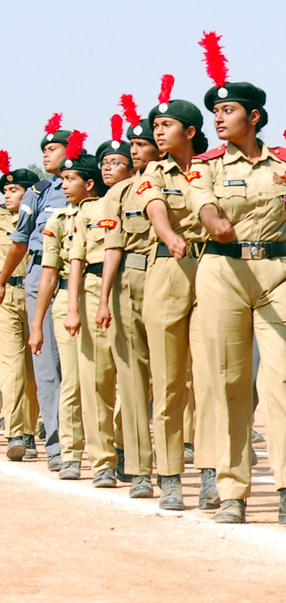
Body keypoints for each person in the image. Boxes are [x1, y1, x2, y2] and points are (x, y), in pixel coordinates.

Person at [192, 32, 286, 526]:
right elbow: (199, 201)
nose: (219, 119)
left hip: (278, 272)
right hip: (223, 270)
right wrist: (213, 219)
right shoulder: (205, 166)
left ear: (253, 117)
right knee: (229, 381)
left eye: (229, 111)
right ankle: (232, 490)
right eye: (215, 112)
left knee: (284, 378)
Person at [139, 76, 221, 511]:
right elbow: (154, 205)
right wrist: (168, 234)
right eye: (156, 125)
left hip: (210, 265)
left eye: (166, 125)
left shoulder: (213, 166)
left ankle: (210, 472)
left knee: (208, 378)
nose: (158, 131)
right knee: (169, 381)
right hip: (168, 270)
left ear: (190, 131)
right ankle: (170, 476)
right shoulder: (154, 169)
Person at [96, 103, 160, 498]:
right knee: (132, 377)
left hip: (178, 277)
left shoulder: (189, 179)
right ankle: (137, 466)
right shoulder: (119, 192)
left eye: (142, 144)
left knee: (178, 381)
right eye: (132, 145)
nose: (135, 151)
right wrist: (104, 299)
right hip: (132, 283)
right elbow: (113, 247)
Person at [0, 114, 72, 471]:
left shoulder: (92, 188)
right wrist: (3, 278)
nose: (46, 154)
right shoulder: (38, 193)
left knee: (81, 364)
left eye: (53, 148)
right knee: (45, 364)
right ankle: (56, 441)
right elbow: (19, 242)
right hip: (39, 279)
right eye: (43, 149)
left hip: (78, 277)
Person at [29, 131, 96, 481]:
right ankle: (68, 453)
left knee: (100, 379)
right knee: (70, 380)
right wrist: (37, 325)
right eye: (63, 179)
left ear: (89, 183)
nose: (64, 185)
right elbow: (48, 276)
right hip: (64, 303)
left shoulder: (103, 213)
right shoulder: (56, 221)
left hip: (98, 298)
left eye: (71, 179)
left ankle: (105, 454)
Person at [64, 129, 123, 487]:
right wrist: (73, 307)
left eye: (117, 162)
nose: (108, 168)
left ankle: (126, 451)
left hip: (132, 286)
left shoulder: (142, 198)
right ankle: (102, 458)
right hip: (93, 287)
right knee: (96, 377)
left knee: (133, 380)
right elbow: (75, 260)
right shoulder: (89, 210)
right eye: (104, 163)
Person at [1, 156, 41, 461]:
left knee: (33, 370)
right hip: (6, 295)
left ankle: (30, 431)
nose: (8, 195)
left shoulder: (42, 219)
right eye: (6, 190)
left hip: (36, 295)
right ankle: (14, 431)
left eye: (14, 190)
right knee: (12, 366)